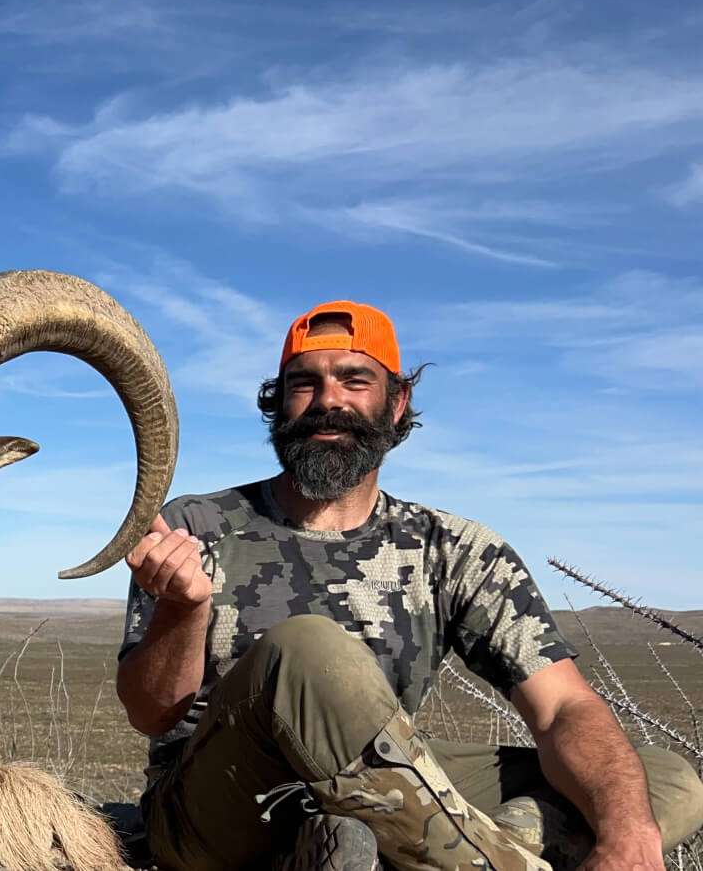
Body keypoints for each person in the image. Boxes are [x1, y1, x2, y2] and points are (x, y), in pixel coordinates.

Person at [117, 300, 703, 871]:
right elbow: (152, 714)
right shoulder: (196, 526)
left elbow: (563, 707)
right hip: (214, 810)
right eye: (303, 383)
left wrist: (627, 833)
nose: (328, 401)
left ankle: (407, 843)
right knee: (307, 651)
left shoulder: (452, 548)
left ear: (397, 404)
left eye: (354, 379)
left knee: (650, 780)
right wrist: (183, 612)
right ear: (278, 404)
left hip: (373, 788)